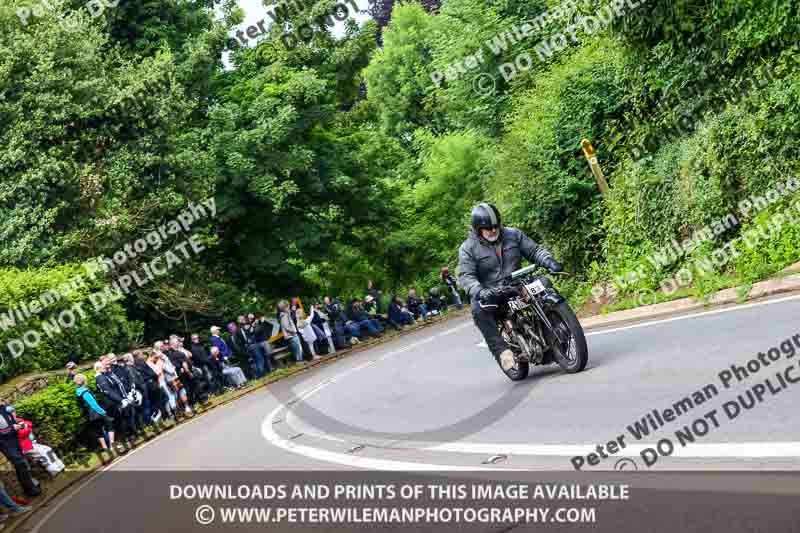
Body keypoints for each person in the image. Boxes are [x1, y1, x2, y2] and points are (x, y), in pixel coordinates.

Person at [457, 202, 562, 371]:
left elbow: (534, 251)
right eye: (488, 228)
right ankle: (503, 352)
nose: (493, 230)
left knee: (545, 283)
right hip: (492, 293)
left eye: (495, 226)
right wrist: (479, 291)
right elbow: (466, 276)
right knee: (478, 310)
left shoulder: (513, 234)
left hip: (517, 285)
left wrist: (549, 261)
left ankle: (554, 332)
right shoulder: (468, 249)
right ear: (478, 229)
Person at [8, 405, 65, 478]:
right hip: (25, 447)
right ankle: (55, 472)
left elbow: (29, 423)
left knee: (48, 449)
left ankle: (60, 466)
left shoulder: (18, 420)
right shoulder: (10, 425)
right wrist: (26, 427)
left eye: (13, 411)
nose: (13, 414)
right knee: (43, 453)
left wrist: (25, 426)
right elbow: (21, 433)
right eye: (10, 413)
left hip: (31, 444)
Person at [0, 397, 39, 497]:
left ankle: (29, 488)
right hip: (6, 444)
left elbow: (12, 422)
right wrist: (12, 428)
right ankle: (31, 490)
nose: (1, 400)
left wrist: (18, 425)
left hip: (15, 441)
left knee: (21, 465)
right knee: (20, 464)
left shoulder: (4, 410)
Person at [95, 359, 137, 446]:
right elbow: (108, 391)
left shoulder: (104, 375)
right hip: (111, 403)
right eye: (103, 367)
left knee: (123, 419)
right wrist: (121, 400)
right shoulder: (100, 378)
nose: (105, 368)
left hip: (116, 401)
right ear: (98, 368)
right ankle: (124, 439)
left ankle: (130, 436)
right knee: (119, 421)